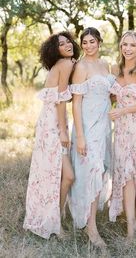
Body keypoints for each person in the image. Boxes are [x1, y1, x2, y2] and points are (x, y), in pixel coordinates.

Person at [23, 31, 80, 239]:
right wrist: (63, 131)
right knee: (66, 175)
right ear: (54, 50)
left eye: (68, 42)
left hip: (48, 122)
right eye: (61, 44)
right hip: (53, 126)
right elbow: (61, 100)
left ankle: (56, 213)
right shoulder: (64, 65)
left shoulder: (62, 65)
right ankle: (55, 220)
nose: (67, 45)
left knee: (54, 173)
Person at [69, 27, 114, 248]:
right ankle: (91, 228)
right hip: (86, 126)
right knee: (92, 170)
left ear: (99, 42)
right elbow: (76, 102)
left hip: (104, 124)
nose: (88, 46)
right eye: (84, 42)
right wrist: (80, 135)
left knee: (100, 170)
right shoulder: (81, 66)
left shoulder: (106, 65)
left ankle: (91, 219)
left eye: (92, 41)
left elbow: (110, 95)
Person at [109, 30, 136, 241]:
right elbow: (110, 96)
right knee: (125, 175)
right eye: (124, 44)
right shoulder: (115, 70)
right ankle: (130, 228)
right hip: (121, 130)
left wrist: (123, 110)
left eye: (132, 45)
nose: (127, 49)